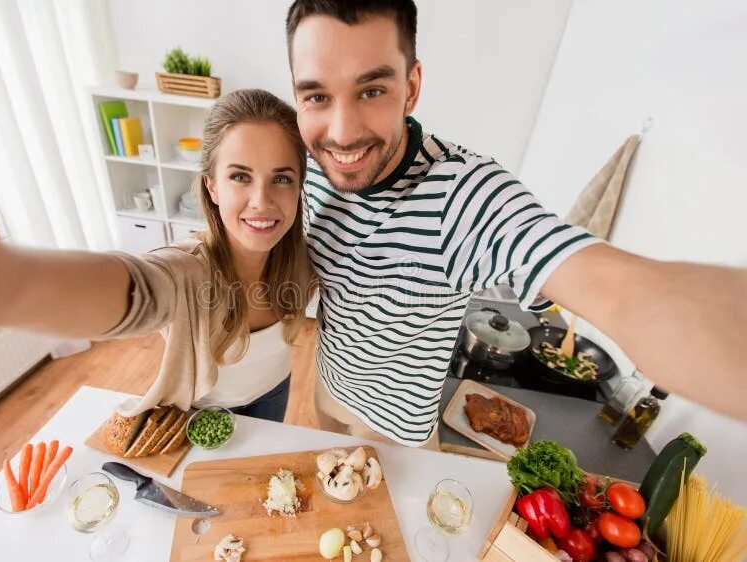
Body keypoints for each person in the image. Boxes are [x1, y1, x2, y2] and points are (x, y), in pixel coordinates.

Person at [284, 0, 747, 446]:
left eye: (371, 90)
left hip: (393, 432)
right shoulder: (311, 168)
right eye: (318, 96)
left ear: (411, 86)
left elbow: (621, 293)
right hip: (326, 390)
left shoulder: (463, 196)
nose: (341, 132)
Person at [0, 88, 316, 422]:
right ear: (212, 186)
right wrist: (6, 284)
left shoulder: (303, 261)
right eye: (240, 176)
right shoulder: (188, 271)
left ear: (299, 186)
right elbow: (137, 288)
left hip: (275, 391)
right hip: (202, 413)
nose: (262, 201)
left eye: (281, 178)